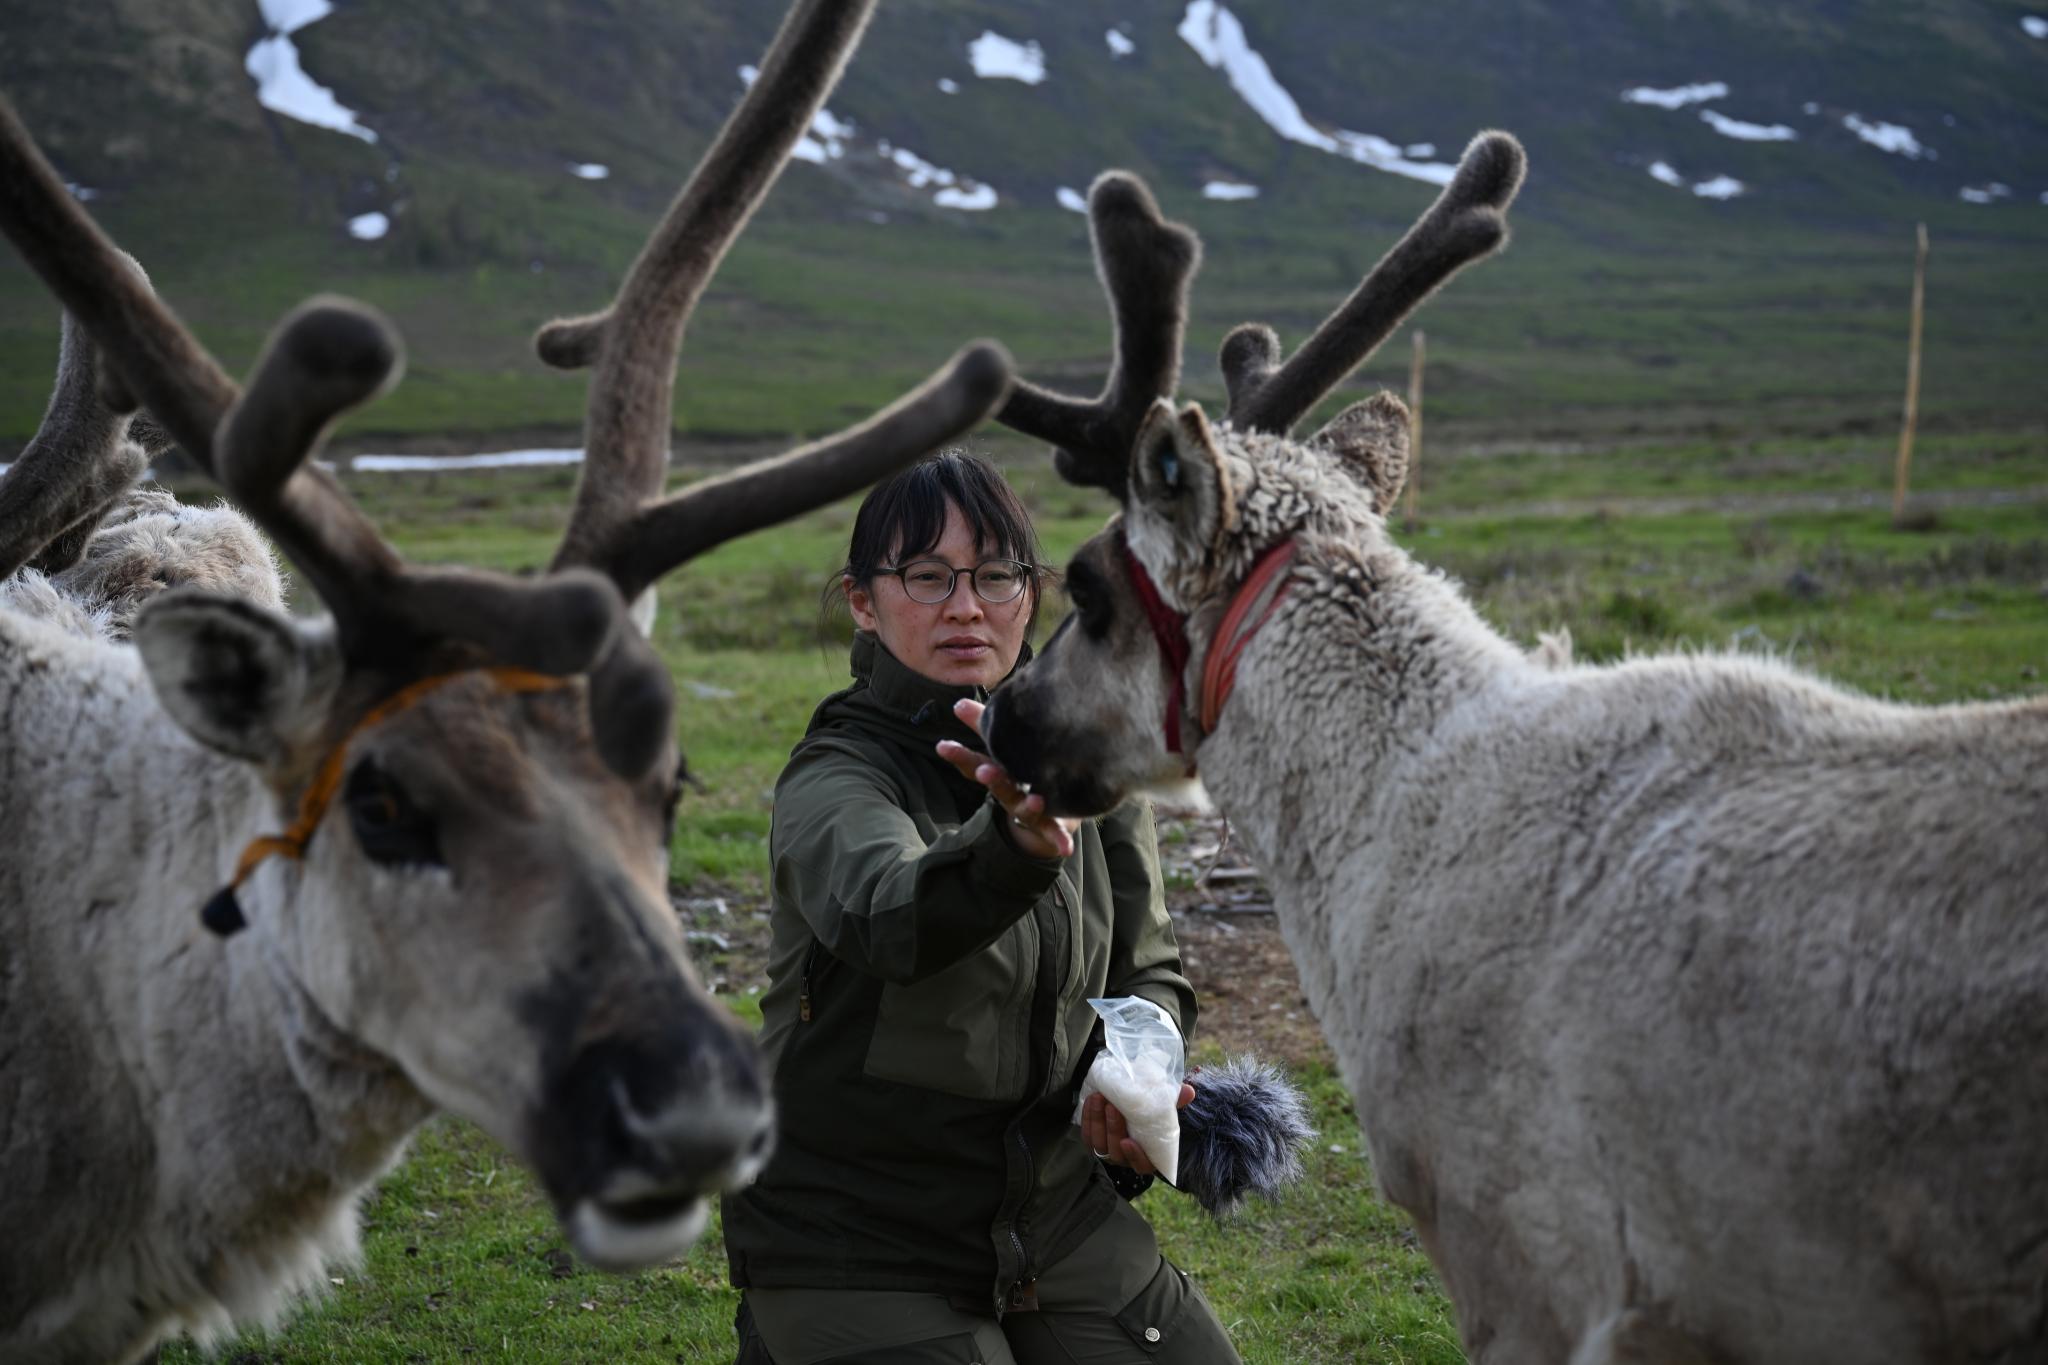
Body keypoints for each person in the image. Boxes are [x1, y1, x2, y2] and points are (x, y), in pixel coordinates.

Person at [724, 451, 1242, 1364]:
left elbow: (1146, 966)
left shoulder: (1086, 754)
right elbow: (892, 914)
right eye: (927, 576)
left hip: (1054, 1212)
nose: (966, 605)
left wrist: (1135, 1074)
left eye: (996, 574)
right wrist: (1007, 851)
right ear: (862, 600)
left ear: (1030, 593)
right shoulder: (837, 776)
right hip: (855, 1233)